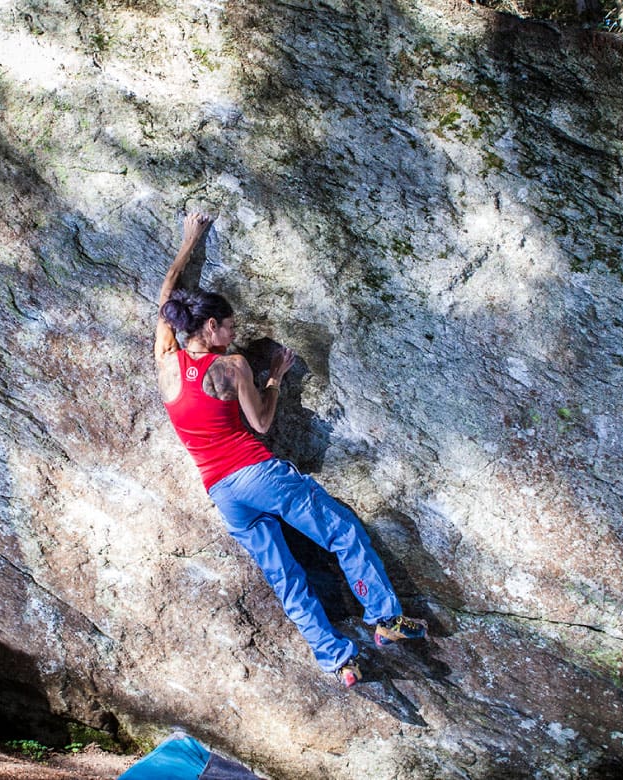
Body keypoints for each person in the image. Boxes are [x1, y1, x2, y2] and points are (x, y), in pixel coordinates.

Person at [154, 212, 426, 688]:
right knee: (340, 530)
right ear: (212, 326)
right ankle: (384, 618)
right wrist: (276, 378)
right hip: (257, 473)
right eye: (229, 328)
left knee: (286, 578)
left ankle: (337, 660)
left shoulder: (164, 361)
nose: (234, 336)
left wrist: (189, 239)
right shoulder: (233, 366)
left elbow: (167, 295)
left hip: (222, 493)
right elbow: (260, 422)